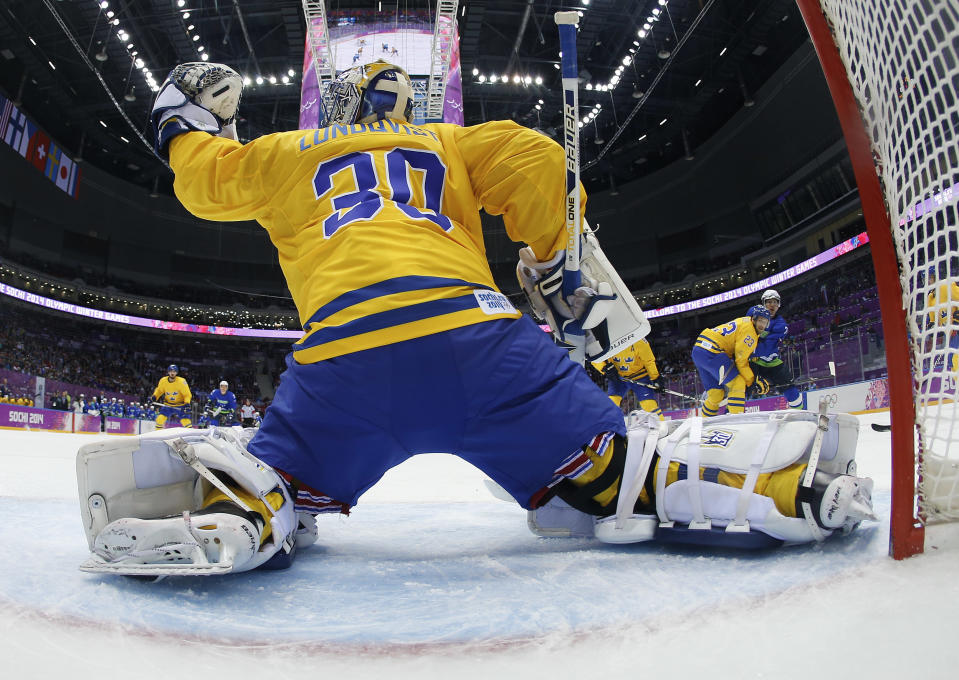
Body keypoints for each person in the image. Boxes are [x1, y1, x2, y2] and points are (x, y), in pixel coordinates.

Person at [72, 60, 878, 578]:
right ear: (405, 105)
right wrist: (554, 253)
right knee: (613, 474)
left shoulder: (288, 151)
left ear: (341, 102)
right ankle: (780, 484)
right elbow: (535, 162)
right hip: (482, 340)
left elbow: (202, 185)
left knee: (281, 480)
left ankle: (241, 513)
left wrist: (186, 124)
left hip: (348, 358)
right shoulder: (449, 138)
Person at [692, 306, 772, 416]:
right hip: (712, 350)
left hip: (698, 350)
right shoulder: (750, 332)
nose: (762, 325)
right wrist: (752, 381)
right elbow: (741, 362)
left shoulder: (742, 321)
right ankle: (736, 419)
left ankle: (704, 423)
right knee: (738, 383)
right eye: (760, 321)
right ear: (753, 319)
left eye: (765, 322)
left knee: (716, 395)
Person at [749, 289, 803, 409]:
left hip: (772, 363)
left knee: (790, 389)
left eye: (775, 302)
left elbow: (766, 347)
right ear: (763, 304)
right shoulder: (752, 317)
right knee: (741, 388)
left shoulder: (780, 325)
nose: (772, 305)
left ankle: (800, 415)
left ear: (779, 305)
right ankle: (731, 415)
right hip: (753, 363)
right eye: (769, 302)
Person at [592, 338, 664, 419]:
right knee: (611, 404)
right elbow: (593, 355)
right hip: (618, 378)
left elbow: (649, 361)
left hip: (639, 375)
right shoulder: (603, 337)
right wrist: (605, 368)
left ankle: (661, 425)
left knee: (648, 404)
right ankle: (609, 429)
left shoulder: (639, 340)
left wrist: (655, 378)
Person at [926, 264, 959, 372]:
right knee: (951, 361)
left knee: (954, 358)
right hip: (951, 335)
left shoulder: (945, 286)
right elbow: (934, 323)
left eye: (930, 278)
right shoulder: (930, 299)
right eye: (925, 279)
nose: (928, 282)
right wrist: (932, 328)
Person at [152, 364, 192, 428]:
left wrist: (187, 404)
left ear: (176, 372)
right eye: (171, 371)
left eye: (174, 371)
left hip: (180, 406)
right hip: (168, 405)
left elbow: (187, 394)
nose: (172, 373)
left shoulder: (181, 381)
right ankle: (158, 437)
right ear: (168, 372)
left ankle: (191, 436)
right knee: (159, 420)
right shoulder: (163, 380)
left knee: (186, 421)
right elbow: (159, 390)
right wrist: (154, 397)